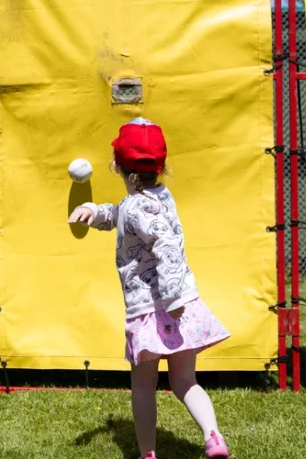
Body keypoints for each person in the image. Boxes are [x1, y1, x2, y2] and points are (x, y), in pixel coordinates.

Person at [68, 118, 231, 459]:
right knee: (186, 380)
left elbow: (164, 244)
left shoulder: (137, 207)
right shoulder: (158, 197)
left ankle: (147, 454)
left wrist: (170, 298)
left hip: (154, 309)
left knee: (143, 385)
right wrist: (94, 212)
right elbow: (124, 216)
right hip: (183, 302)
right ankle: (213, 436)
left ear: (120, 168)